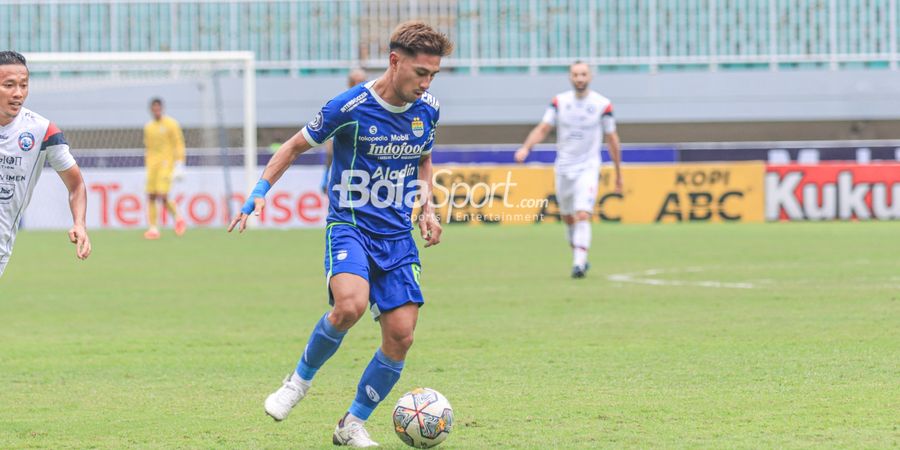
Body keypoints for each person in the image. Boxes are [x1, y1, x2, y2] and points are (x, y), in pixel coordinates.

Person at [228, 21, 452, 447]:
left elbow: (424, 159)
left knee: (401, 335)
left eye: (432, 75)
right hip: (350, 225)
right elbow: (294, 146)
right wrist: (259, 192)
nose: (426, 83)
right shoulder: (349, 107)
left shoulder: (429, 110)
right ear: (394, 61)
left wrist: (427, 207)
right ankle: (297, 382)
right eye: (420, 73)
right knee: (350, 305)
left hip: (397, 237)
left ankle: (351, 423)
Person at [515, 61, 623, 279]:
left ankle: (579, 263)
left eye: (583, 74)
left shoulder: (602, 104)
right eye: (576, 74)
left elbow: (612, 138)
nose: (580, 78)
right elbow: (544, 127)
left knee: (582, 213)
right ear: (570, 77)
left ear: (590, 76)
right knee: (568, 217)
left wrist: (618, 172)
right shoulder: (560, 102)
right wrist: (526, 148)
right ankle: (578, 254)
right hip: (564, 167)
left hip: (588, 167)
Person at [0, 51, 91, 278]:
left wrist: (79, 224)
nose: (18, 93)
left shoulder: (42, 131)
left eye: (23, 85)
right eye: (9, 85)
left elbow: (76, 185)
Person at [142, 97, 187, 239]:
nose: (156, 111)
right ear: (151, 110)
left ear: (162, 109)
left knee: (162, 195)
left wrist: (179, 164)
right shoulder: (148, 127)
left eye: (158, 108)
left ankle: (178, 217)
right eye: (154, 109)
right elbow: (148, 148)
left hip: (166, 165)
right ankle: (153, 229)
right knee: (151, 196)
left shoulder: (171, 124)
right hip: (152, 166)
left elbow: (178, 144)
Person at [321, 68, 368, 194]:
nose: (359, 85)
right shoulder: (341, 108)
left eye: (362, 82)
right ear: (350, 84)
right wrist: (326, 176)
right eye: (356, 82)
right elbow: (330, 149)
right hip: (346, 176)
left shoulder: (373, 108)